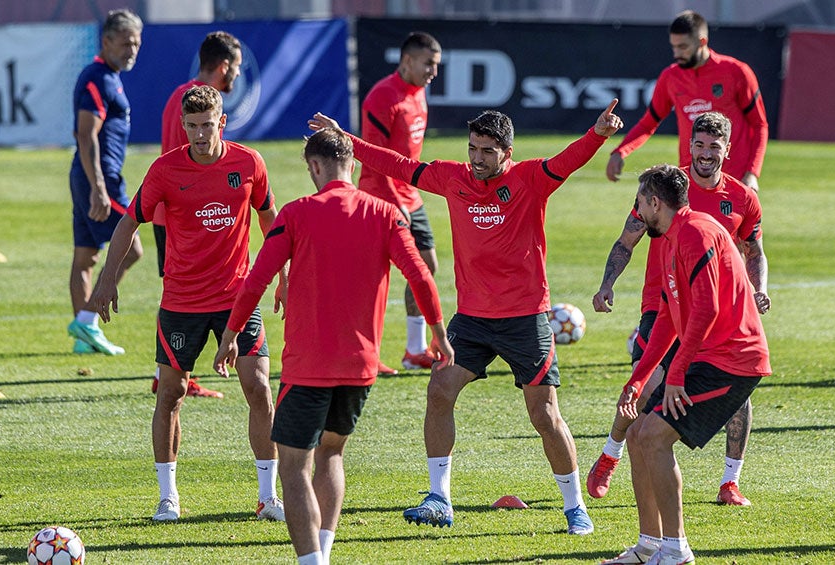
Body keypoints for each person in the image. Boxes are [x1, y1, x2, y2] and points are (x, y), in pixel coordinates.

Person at [309, 98, 625, 536]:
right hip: (473, 319)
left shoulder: (530, 179)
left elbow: (567, 161)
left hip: (525, 317)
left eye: (487, 151)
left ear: (506, 154)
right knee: (439, 389)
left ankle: (574, 508)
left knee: (544, 415)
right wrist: (348, 140)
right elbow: (399, 165)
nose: (476, 159)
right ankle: (439, 497)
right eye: (473, 148)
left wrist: (598, 135)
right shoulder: (452, 176)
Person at [212, 127, 454, 565]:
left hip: (308, 366)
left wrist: (230, 335)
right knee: (332, 453)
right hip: (361, 367)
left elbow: (256, 280)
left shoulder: (297, 213)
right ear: (354, 166)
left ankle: (312, 561)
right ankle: (323, 551)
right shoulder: (385, 213)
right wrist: (437, 333)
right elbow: (420, 274)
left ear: (315, 166)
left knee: (292, 467)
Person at [87, 85, 284, 523]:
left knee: (259, 388)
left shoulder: (249, 163)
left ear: (222, 123)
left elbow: (271, 219)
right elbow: (128, 223)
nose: (198, 134)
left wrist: (283, 275)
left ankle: (268, 497)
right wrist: (106, 280)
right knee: (171, 394)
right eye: (191, 126)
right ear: (183, 125)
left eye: (206, 125)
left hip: (238, 297)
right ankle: (168, 497)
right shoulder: (164, 170)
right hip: (182, 301)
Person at [588, 112, 768, 507]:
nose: (705, 153)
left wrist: (759, 290)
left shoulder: (741, 198)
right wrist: (607, 283)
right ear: (690, 146)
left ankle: (729, 482)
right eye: (699, 145)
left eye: (713, 146)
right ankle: (611, 453)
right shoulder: (666, 191)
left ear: (727, 150)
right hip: (663, 305)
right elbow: (626, 241)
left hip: (712, 316)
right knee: (646, 386)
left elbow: (753, 251)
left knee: (737, 396)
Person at [601, 164, 770, 565]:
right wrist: (638, 379)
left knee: (654, 437)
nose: (637, 211)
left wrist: (675, 375)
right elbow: (666, 313)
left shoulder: (695, 233)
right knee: (640, 431)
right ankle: (648, 546)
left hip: (733, 361)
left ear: (655, 202)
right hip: (709, 356)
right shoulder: (674, 236)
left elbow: (707, 309)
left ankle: (676, 551)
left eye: (640, 202)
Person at [150, 30, 244, 399]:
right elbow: (187, 164)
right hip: (183, 215)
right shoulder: (201, 104)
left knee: (179, 295)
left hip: (171, 213)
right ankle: (174, 373)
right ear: (222, 66)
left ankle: (170, 373)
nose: (236, 74)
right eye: (235, 67)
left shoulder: (180, 96)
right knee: (184, 297)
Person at [605, 10, 768, 191]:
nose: (676, 53)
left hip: (734, 182)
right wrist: (621, 151)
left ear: (702, 42)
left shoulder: (737, 72)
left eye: (683, 47)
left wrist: (752, 173)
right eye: (674, 47)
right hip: (690, 182)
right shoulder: (670, 77)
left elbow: (759, 125)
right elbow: (648, 123)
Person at [359, 31, 442, 375]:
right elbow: (376, 158)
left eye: (436, 65)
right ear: (407, 60)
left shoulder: (419, 91)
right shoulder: (382, 96)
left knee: (427, 267)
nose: (433, 72)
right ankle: (366, 354)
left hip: (410, 196)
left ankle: (414, 349)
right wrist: (395, 202)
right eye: (429, 64)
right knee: (373, 279)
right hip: (379, 196)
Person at [66, 9, 144, 356]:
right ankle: (87, 321)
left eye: (137, 43)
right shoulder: (98, 77)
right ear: (107, 41)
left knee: (85, 257)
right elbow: (87, 134)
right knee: (132, 249)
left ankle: (85, 339)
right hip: (101, 178)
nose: (132, 50)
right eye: (126, 42)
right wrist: (98, 187)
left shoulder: (108, 76)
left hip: (88, 175)